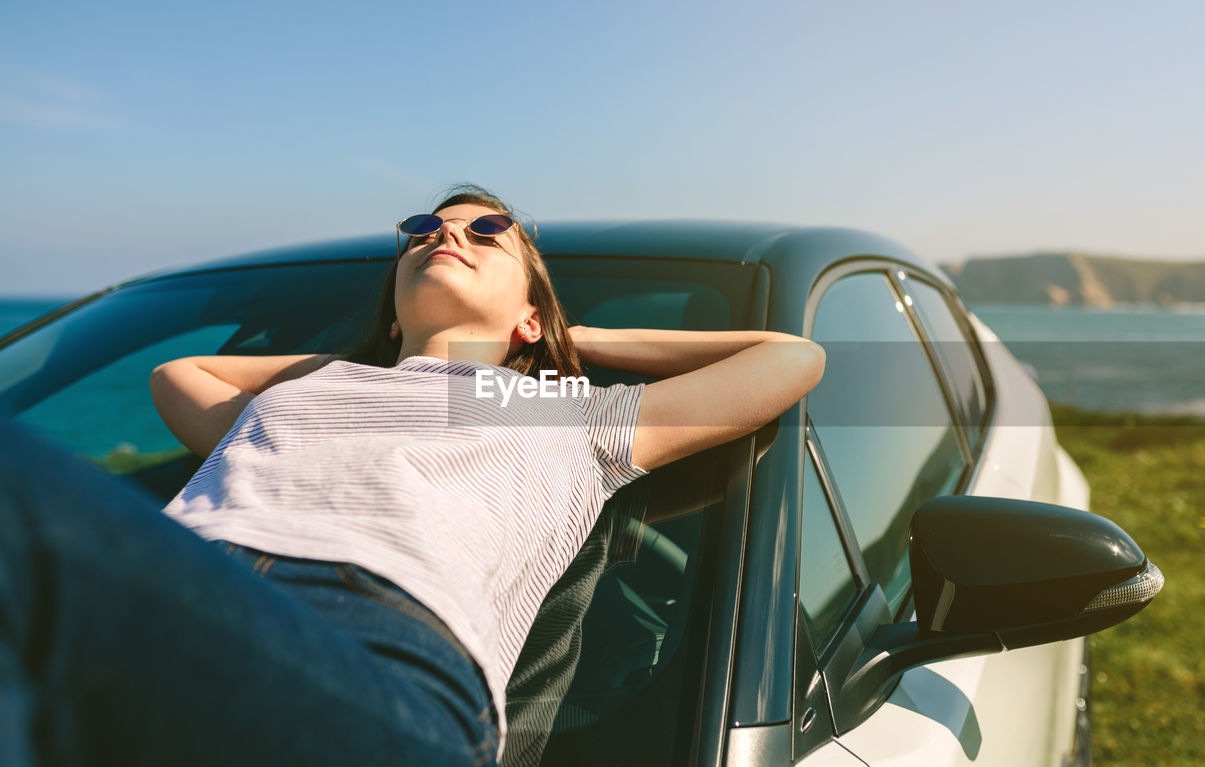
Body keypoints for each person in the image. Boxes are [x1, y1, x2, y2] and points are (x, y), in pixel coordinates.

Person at [0, 185, 825, 766]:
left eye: (487, 231)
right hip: (178, 584)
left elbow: (790, 358)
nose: (445, 235)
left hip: (371, 649)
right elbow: (179, 374)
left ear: (533, 315)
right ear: (394, 304)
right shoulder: (310, 393)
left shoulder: (572, 415)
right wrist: (382, 356)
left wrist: (578, 336)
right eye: (426, 229)